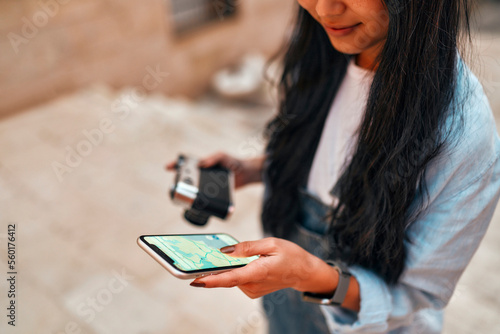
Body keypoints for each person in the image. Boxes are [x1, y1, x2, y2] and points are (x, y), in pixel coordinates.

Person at [167, 0, 500, 333]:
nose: (325, 9)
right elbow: (334, 152)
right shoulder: (321, 52)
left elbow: (412, 296)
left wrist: (307, 275)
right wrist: (260, 167)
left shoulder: (464, 131)